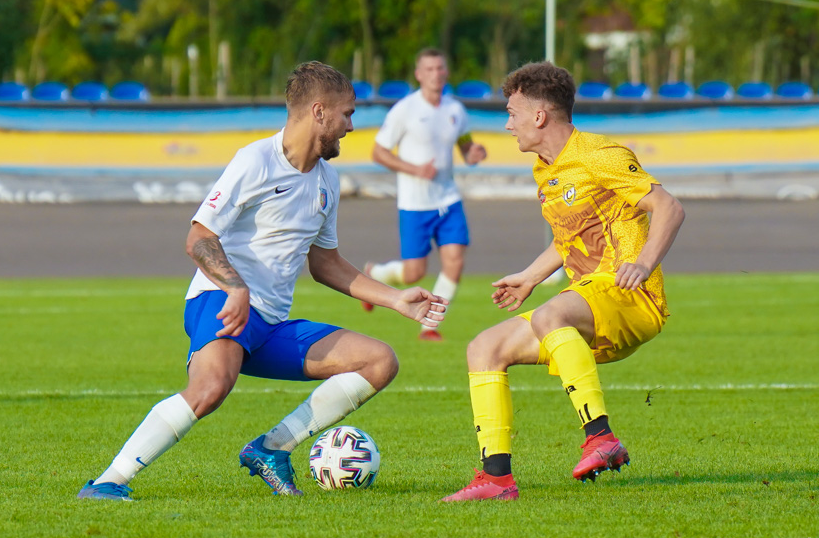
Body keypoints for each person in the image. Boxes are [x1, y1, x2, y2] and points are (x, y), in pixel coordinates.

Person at [77, 61, 447, 501]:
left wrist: (395, 300)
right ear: (319, 112)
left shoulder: (328, 179)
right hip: (219, 302)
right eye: (347, 114)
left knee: (379, 361)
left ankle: (270, 450)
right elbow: (198, 237)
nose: (351, 125)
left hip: (269, 324)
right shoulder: (255, 161)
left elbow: (325, 263)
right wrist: (236, 287)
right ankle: (107, 482)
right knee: (210, 388)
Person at [441, 61, 685, 502]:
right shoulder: (544, 169)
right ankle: (496, 479)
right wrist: (530, 278)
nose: (507, 123)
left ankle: (601, 438)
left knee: (553, 313)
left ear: (539, 116)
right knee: (484, 348)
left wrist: (644, 265)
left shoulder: (599, 155)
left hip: (631, 297)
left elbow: (669, 207)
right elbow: (568, 238)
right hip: (588, 303)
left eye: (513, 113)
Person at [362, 48, 487, 341]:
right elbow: (378, 152)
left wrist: (474, 153)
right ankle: (376, 274)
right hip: (415, 204)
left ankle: (429, 325)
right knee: (413, 274)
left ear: (447, 72)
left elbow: (466, 147)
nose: (436, 74)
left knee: (455, 260)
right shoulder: (405, 109)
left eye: (440, 68)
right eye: (429, 69)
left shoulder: (456, 110)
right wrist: (414, 169)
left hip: (448, 199)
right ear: (419, 74)